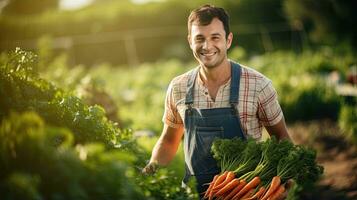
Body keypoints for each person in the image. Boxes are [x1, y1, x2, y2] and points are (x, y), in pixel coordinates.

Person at [142, 4, 292, 199]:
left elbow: (281, 138)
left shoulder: (258, 85)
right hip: (195, 194)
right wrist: (150, 170)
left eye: (215, 37)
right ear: (190, 41)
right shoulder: (178, 87)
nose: (207, 46)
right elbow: (169, 140)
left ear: (228, 40)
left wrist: (283, 179)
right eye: (199, 38)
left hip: (246, 194)